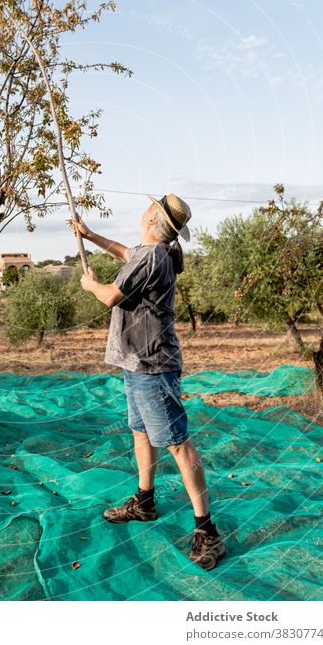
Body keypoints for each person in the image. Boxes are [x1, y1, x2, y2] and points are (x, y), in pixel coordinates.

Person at [70, 193, 226, 571]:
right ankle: (144, 501)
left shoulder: (153, 256)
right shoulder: (153, 252)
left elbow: (110, 296)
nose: (145, 209)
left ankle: (207, 530)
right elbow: (127, 253)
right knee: (140, 432)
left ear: (154, 218)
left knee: (177, 445)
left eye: (150, 206)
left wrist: (90, 285)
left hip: (152, 366)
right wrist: (90, 235)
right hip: (137, 363)